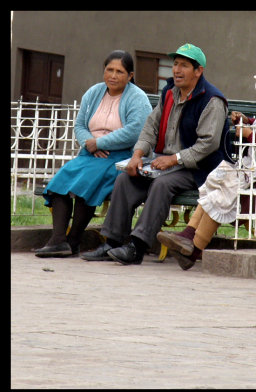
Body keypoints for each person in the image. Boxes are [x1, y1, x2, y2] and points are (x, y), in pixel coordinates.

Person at [81, 43, 232, 264]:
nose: (177, 70)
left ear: (198, 71)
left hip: (197, 168)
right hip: (164, 163)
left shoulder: (212, 100)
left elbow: (208, 145)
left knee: (162, 185)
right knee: (126, 179)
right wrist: (138, 154)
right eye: (176, 64)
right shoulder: (169, 93)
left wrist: (174, 159)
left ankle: (136, 247)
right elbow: (150, 126)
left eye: (184, 66)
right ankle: (112, 242)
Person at [157, 47, 256, 270]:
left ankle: (193, 246)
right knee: (218, 181)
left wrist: (248, 133)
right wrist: (246, 120)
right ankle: (189, 241)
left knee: (224, 188)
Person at [35, 50, 152, 257]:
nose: (113, 76)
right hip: (89, 154)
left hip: (119, 158)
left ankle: (74, 240)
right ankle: (59, 240)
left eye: (119, 71)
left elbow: (135, 131)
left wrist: (99, 142)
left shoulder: (137, 98)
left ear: (130, 76)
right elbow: (80, 124)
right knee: (60, 181)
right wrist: (89, 144)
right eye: (109, 70)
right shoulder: (94, 92)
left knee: (86, 184)